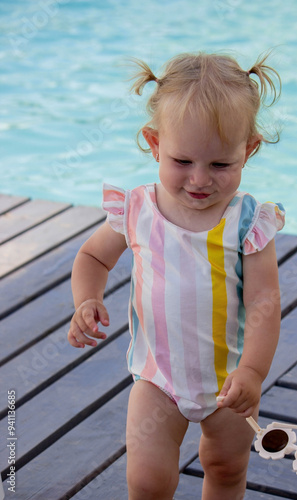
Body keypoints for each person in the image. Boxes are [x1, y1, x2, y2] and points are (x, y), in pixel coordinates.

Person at [68, 51, 285, 500]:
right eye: (182, 161)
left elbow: (265, 302)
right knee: (147, 482)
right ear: (154, 143)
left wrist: (253, 372)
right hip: (157, 378)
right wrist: (86, 299)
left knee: (225, 469)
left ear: (248, 149)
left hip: (229, 382)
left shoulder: (246, 222)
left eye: (220, 165)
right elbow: (93, 257)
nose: (199, 180)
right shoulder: (137, 211)